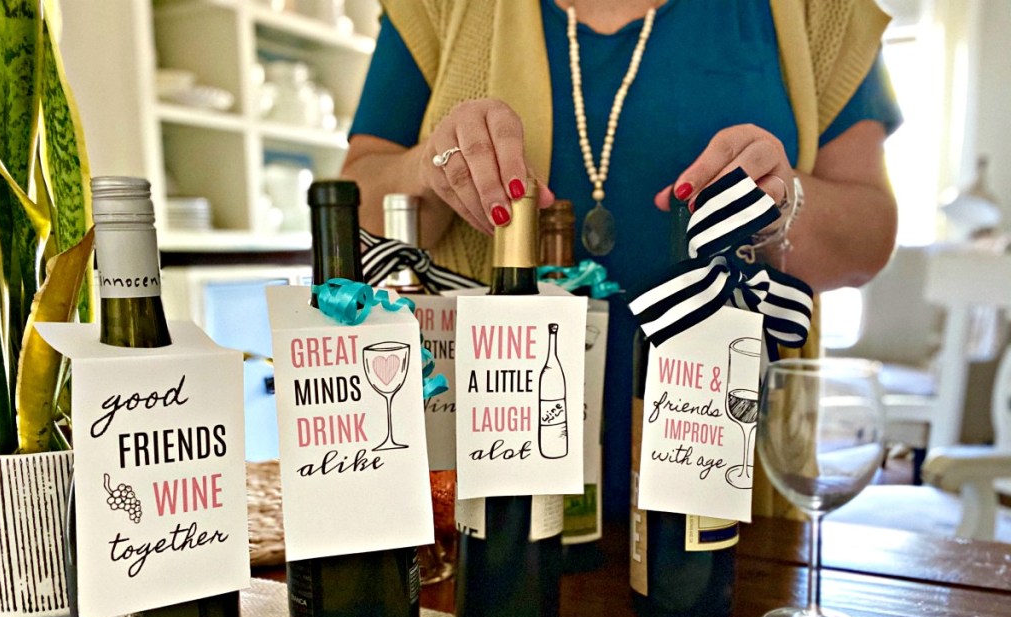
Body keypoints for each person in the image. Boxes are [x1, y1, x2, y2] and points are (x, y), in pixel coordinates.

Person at [341, 0, 902, 521]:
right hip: (482, 457)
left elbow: (868, 241)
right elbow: (355, 198)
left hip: (722, 458)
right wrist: (430, 170)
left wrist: (781, 205)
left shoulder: (819, 11)